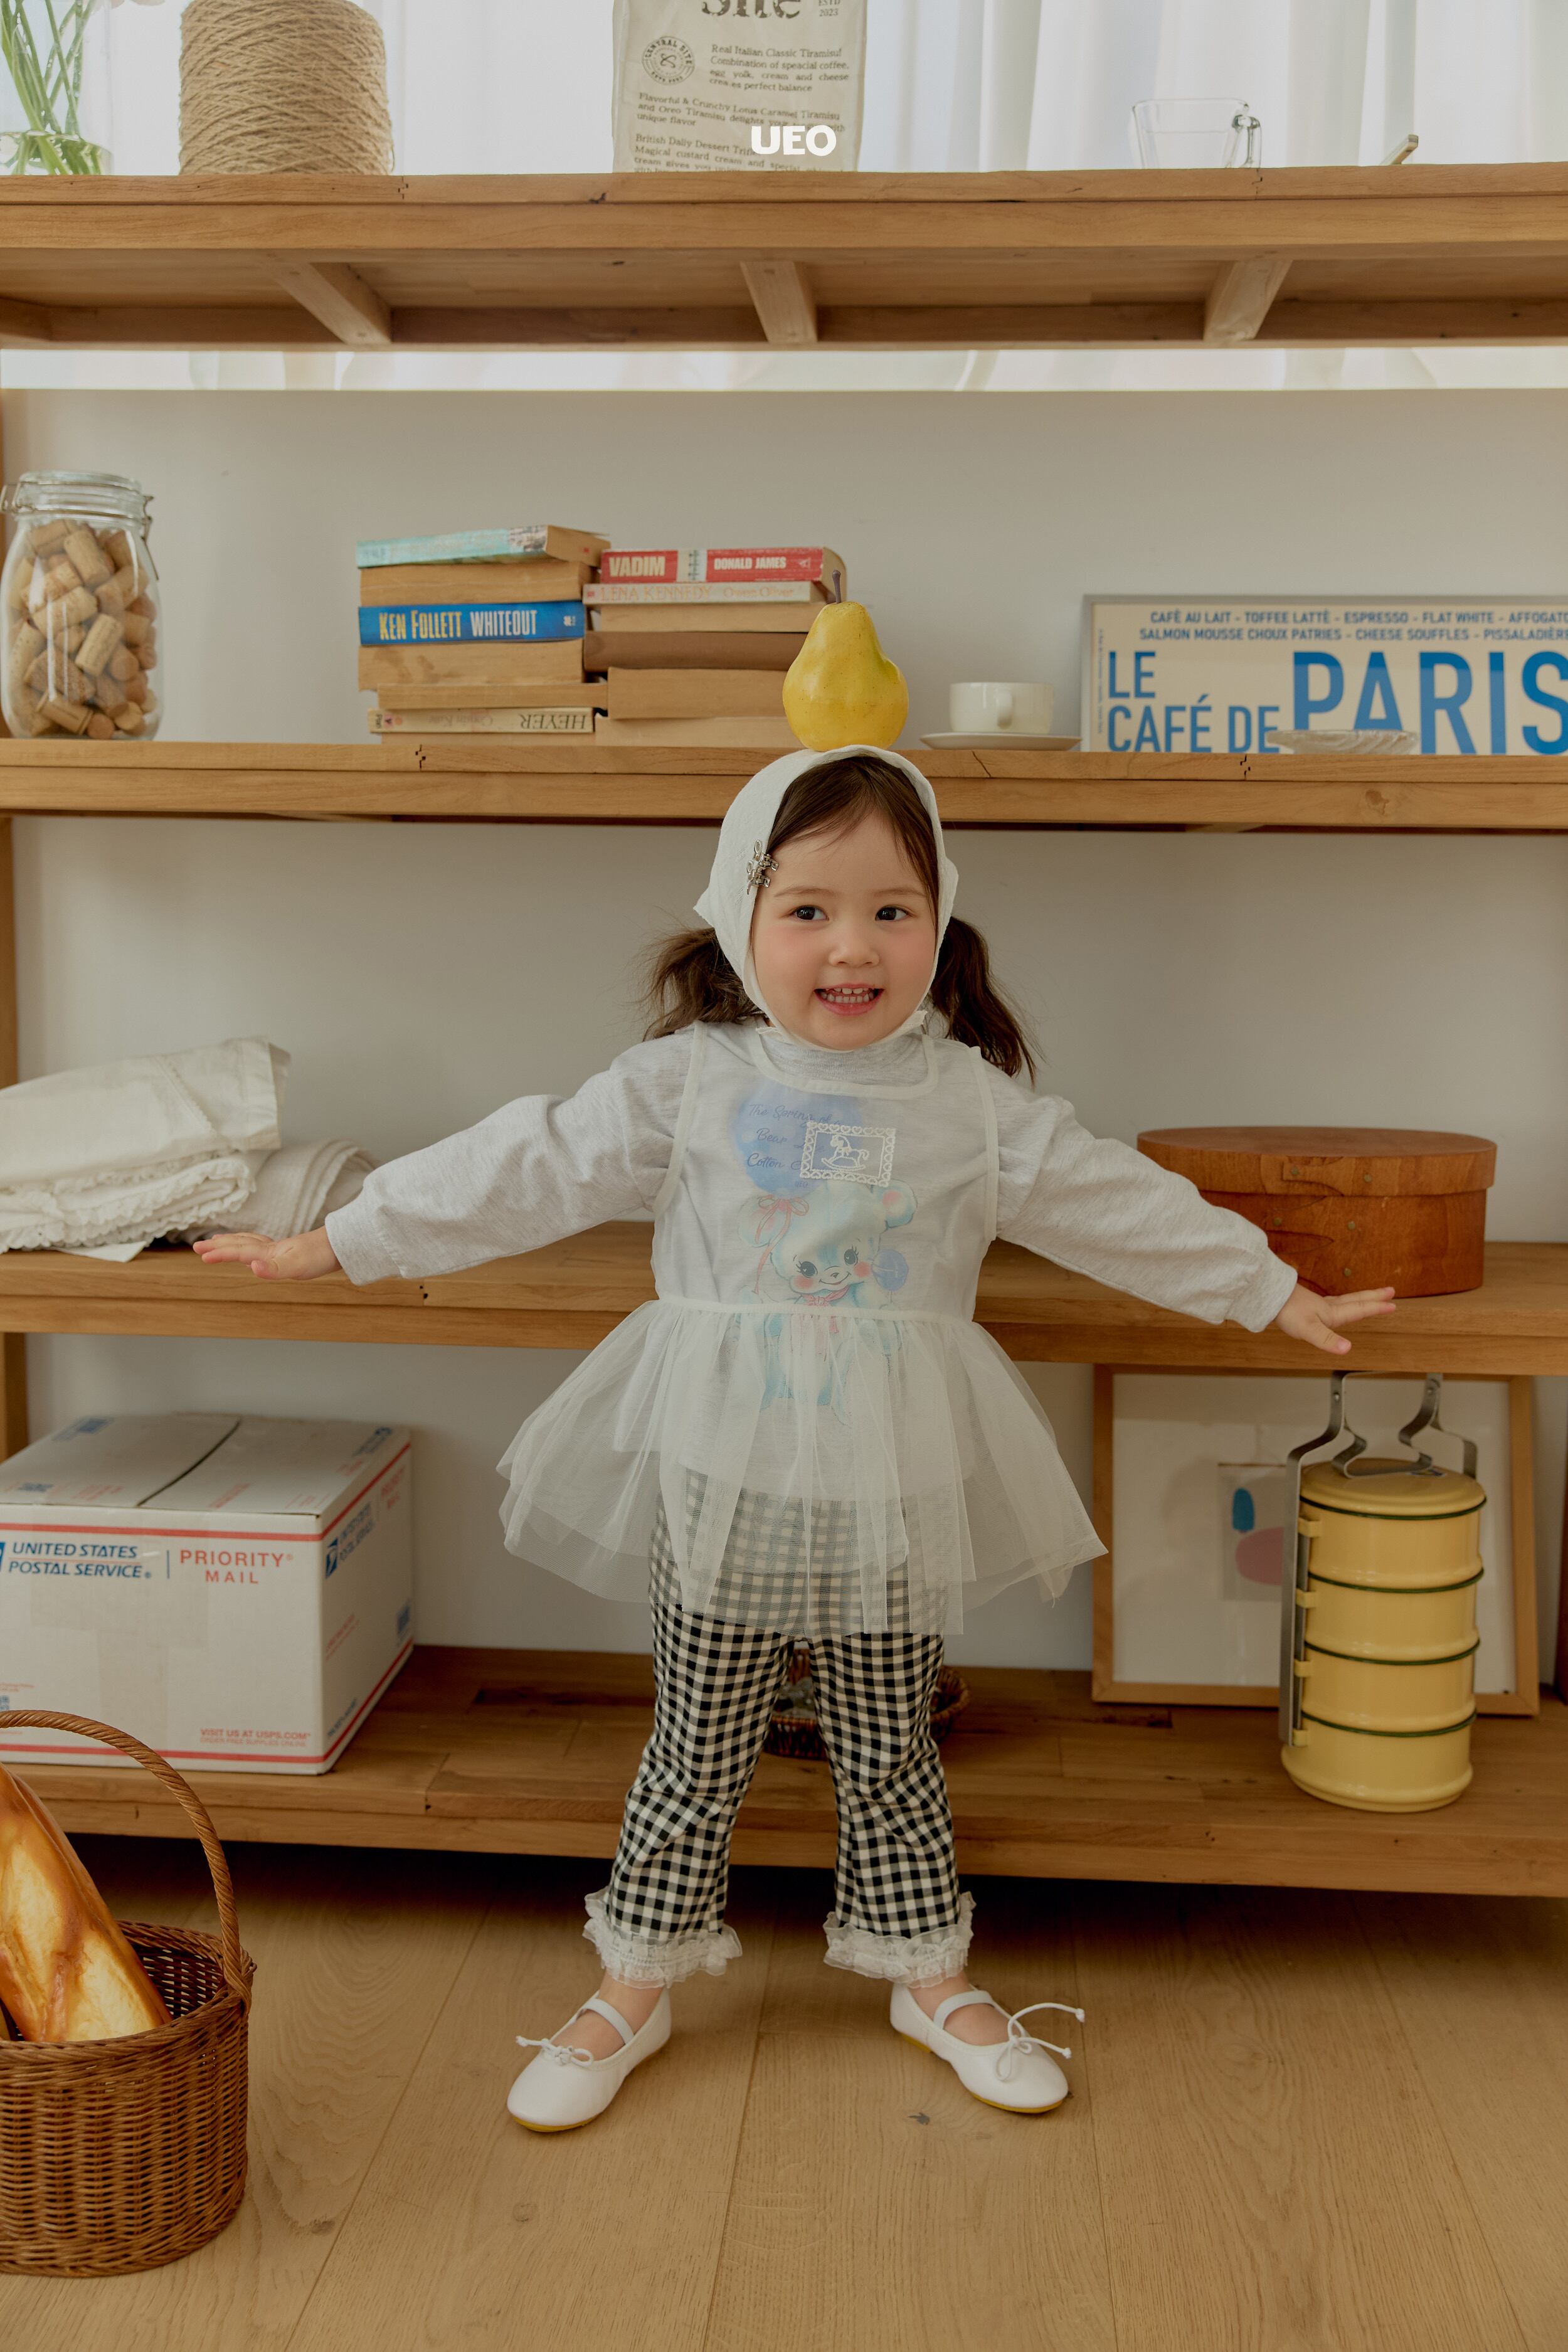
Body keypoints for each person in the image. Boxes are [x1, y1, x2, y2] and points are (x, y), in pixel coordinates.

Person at [196, 744, 1394, 2131]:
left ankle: (925, 1973)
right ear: (740, 918)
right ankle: (634, 1981)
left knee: (889, 1741)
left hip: (894, 1473)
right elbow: (526, 1163)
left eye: (892, 909)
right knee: (698, 1740)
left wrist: (1263, 1287)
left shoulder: (967, 1102)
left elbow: (1109, 1198)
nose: (852, 945)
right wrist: (341, 1240)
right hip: (727, 1468)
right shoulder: (687, 1083)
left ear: (939, 923)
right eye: (809, 909)